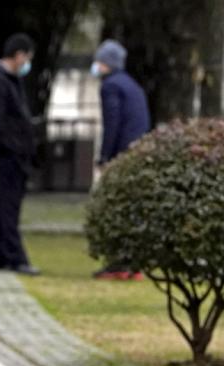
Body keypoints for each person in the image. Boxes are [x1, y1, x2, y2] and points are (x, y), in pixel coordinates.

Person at [89, 39, 151, 280]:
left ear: (107, 63)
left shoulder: (111, 87)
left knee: (116, 208)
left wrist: (105, 156)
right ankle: (133, 263)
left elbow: (112, 124)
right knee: (132, 209)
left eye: (99, 61)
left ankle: (119, 263)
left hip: (122, 154)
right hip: (137, 152)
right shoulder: (132, 85)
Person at [0, 33, 40, 276]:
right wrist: (13, 147)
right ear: (19, 55)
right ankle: (15, 257)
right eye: (27, 58)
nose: (27, 64)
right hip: (8, 154)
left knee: (3, 205)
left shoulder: (10, 80)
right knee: (8, 206)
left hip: (16, 153)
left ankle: (0, 255)